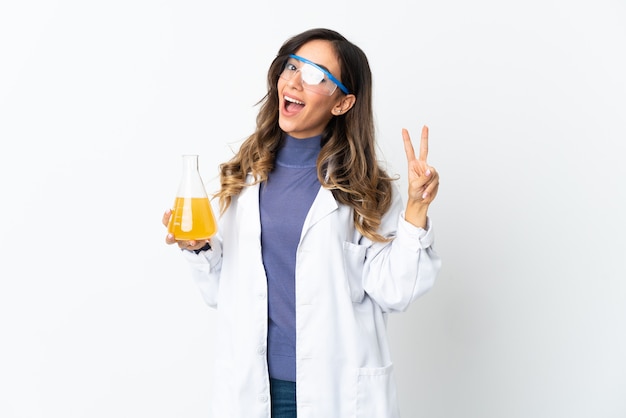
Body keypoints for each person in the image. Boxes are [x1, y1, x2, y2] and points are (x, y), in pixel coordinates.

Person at [162, 28, 441, 418]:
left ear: (343, 103)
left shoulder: (367, 191)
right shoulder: (244, 177)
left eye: (314, 75)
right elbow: (221, 292)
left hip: (336, 391)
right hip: (252, 387)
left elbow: (395, 291)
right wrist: (199, 247)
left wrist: (415, 209)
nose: (293, 80)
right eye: (291, 66)